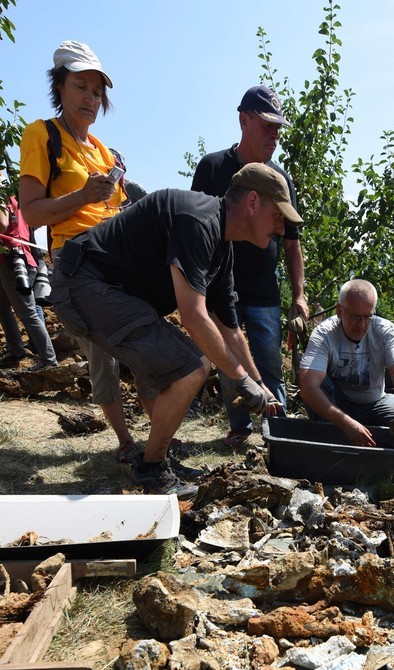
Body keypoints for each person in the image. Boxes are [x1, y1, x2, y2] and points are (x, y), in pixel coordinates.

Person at [50, 163, 303, 496]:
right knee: (191, 365)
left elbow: (231, 330)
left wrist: (260, 384)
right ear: (253, 202)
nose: (282, 228)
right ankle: (150, 469)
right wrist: (240, 379)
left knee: (171, 366)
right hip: (82, 285)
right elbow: (193, 316)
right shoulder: (198, 220)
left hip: (116, 294)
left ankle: (159, 457)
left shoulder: (221, 249)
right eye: (278, 215)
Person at [18, 40, 152, 463]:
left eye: (97, 92)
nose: (90, 99)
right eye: (80, 87)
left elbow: (119, 206)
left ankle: (160, 435)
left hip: (117, 261)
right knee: (104, 358)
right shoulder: (42, 135)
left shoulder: (104, 151)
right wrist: (81, 196)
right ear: (59, 86)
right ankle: (126, 443)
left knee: (146, 347)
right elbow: (32, 214)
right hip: (78, 263)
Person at [191, 84, 308, 447]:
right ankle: (240, 428)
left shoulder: (280, 179)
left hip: (263, 293)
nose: (274, 135)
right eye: (266, 125)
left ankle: (279, 431)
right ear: (244, 120)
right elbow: (194, 228)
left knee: (270, 363)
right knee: (228, 363)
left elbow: (292, 243)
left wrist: (299, 295)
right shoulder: (212, 167)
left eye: (278, 128)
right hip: (218, 290)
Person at [298, 279, 394, 447]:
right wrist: (345, 422)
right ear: (339, 311)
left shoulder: (386, 331)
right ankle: (338, 431)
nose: (362, 325)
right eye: (355, 317)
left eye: (368, 317)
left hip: (374, 403)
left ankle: (351, 434)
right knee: (316, 384)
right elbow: (307, 386)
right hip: (338, 402)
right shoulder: (324, 333)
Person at [0, 180, 58, 368]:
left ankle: (48, 360)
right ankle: (15, 350)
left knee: (27, 312)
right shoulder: (15, 196)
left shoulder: (2, 196)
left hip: (12, 260)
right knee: (3, 308)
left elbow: (2, 225)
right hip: (18, 258)